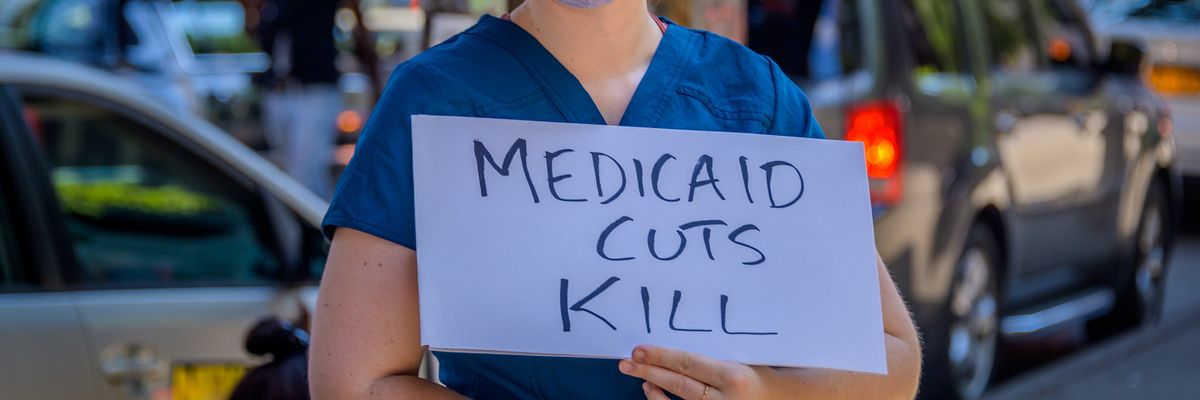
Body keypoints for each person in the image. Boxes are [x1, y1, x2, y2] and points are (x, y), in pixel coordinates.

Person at [310, 0, 922, 398]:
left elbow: (894, 361)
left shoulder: (755, 97)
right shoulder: (434, 98)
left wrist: (766, 392)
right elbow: (353, 381)